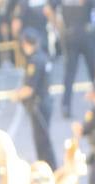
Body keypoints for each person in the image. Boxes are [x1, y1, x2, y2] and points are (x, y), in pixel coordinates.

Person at [16, 29, 57, 169]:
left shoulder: (35, 61)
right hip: (45, 102)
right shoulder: (42, 57)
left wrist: (16, 96)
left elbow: (29, 89)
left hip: (38, 105)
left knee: (42, 141)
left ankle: (48, 167)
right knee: (43, 138)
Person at [57, 0, 95, 118]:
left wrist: (60, 30)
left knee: (69, 74)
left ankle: (66, 106)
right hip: (85, 33)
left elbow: (50, 9)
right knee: (94, 72)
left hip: (70, 34)